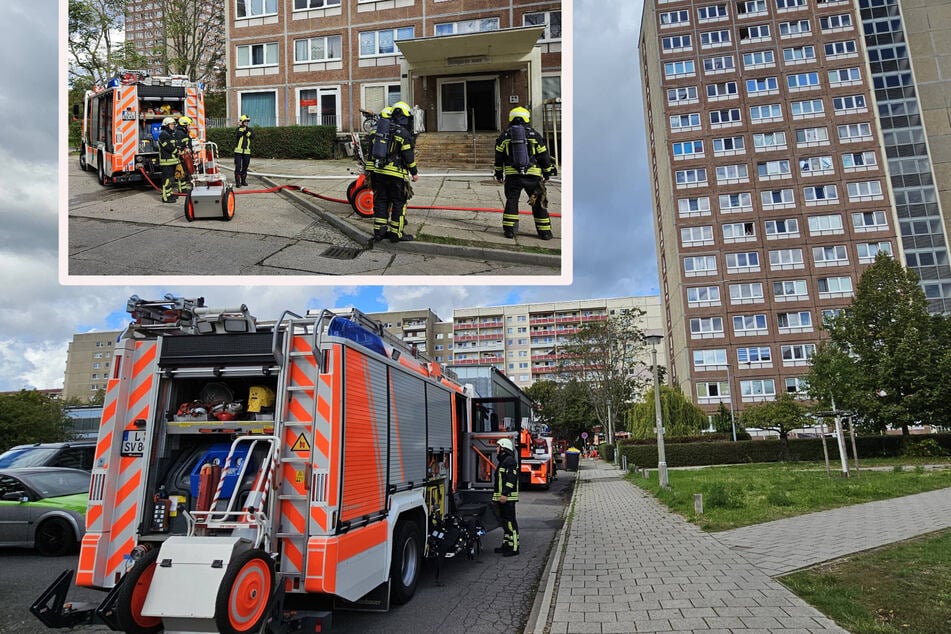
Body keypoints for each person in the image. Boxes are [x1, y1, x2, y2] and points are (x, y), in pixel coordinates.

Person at [493, 106, 557, 240]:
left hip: (512, 176)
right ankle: (545, 232)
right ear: (527, 118)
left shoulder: (505, 136)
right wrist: (547, 173)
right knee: (539, 202)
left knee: (512, 201)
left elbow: (499, 157)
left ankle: (510, 231)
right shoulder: (534, 135)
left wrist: (499, 174)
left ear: (510, 118)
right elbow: (544, 155)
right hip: (533, 176)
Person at [370, 101, 419, 242]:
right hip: (396, 175)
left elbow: (370, 156)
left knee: (380, 201)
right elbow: (408, 157)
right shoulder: (403, 133)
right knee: (398, 202)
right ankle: (396, 234)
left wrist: (369, 174)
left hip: (377, 173)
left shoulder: (376, 132)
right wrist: (414, 173)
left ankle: (379, 232)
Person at [492, 437, 520, 557]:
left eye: (498, 446)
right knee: (504, 523)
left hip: (508, 498)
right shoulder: (504, 461)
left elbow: (510, 480)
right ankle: (506, 545)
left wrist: (505, 494)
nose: (496, 449)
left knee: (510, 523)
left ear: (503, 448)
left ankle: (514, 547)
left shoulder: (509, 461)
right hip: (502, 498)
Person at [157, 117, 180, 203]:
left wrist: (179, 149)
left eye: (174, 124)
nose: (173, 126)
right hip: (166, 162)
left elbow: (174, 145)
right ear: (166, 125)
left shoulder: (170, 134)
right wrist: (177, 151)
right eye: (172, 124)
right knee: (166, 180)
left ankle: (169, 194)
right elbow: (168, 147)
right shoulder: (163, 135)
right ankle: (165, 197)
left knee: (171, 179)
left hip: (172, 161)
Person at [174, 115, 193, 193]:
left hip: (185, 155)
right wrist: (182, 153)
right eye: (188, 125)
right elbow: (179, 145)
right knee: (182, 173)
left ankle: (183, 188)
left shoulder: (184, 132)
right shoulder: (179, 133)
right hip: (182, 156)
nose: (189, 126)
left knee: (184, 172)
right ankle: (182, 189)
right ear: (184, 125)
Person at [234, 114, 252, 188]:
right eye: (245, 121)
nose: (247, 122)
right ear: (242, 122)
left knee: (245, 167)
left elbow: (252, 136)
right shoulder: (238, 129)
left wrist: (246, 131)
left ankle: (243, 181)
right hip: (238, 152)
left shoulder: (249, 129)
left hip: (247, 152)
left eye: (247, 121)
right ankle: (238, 182)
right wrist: (242, 129)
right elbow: (239, 134)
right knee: (238, 167)